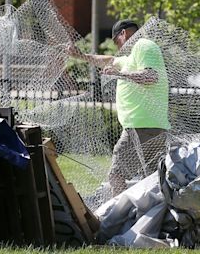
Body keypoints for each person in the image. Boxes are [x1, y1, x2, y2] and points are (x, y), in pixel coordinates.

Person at [69, 19, 170, 195]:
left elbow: (151, 77)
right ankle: (156, 216)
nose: (117, 47)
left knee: (116, 174)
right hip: (146, 126)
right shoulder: (130, 58)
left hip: (141, 127)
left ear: (123, 34)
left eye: (116, 42)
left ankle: (121, 213)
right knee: (153, 179)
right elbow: (108, 60)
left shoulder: (143, 45)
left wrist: (120, 74)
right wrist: (81, 56)